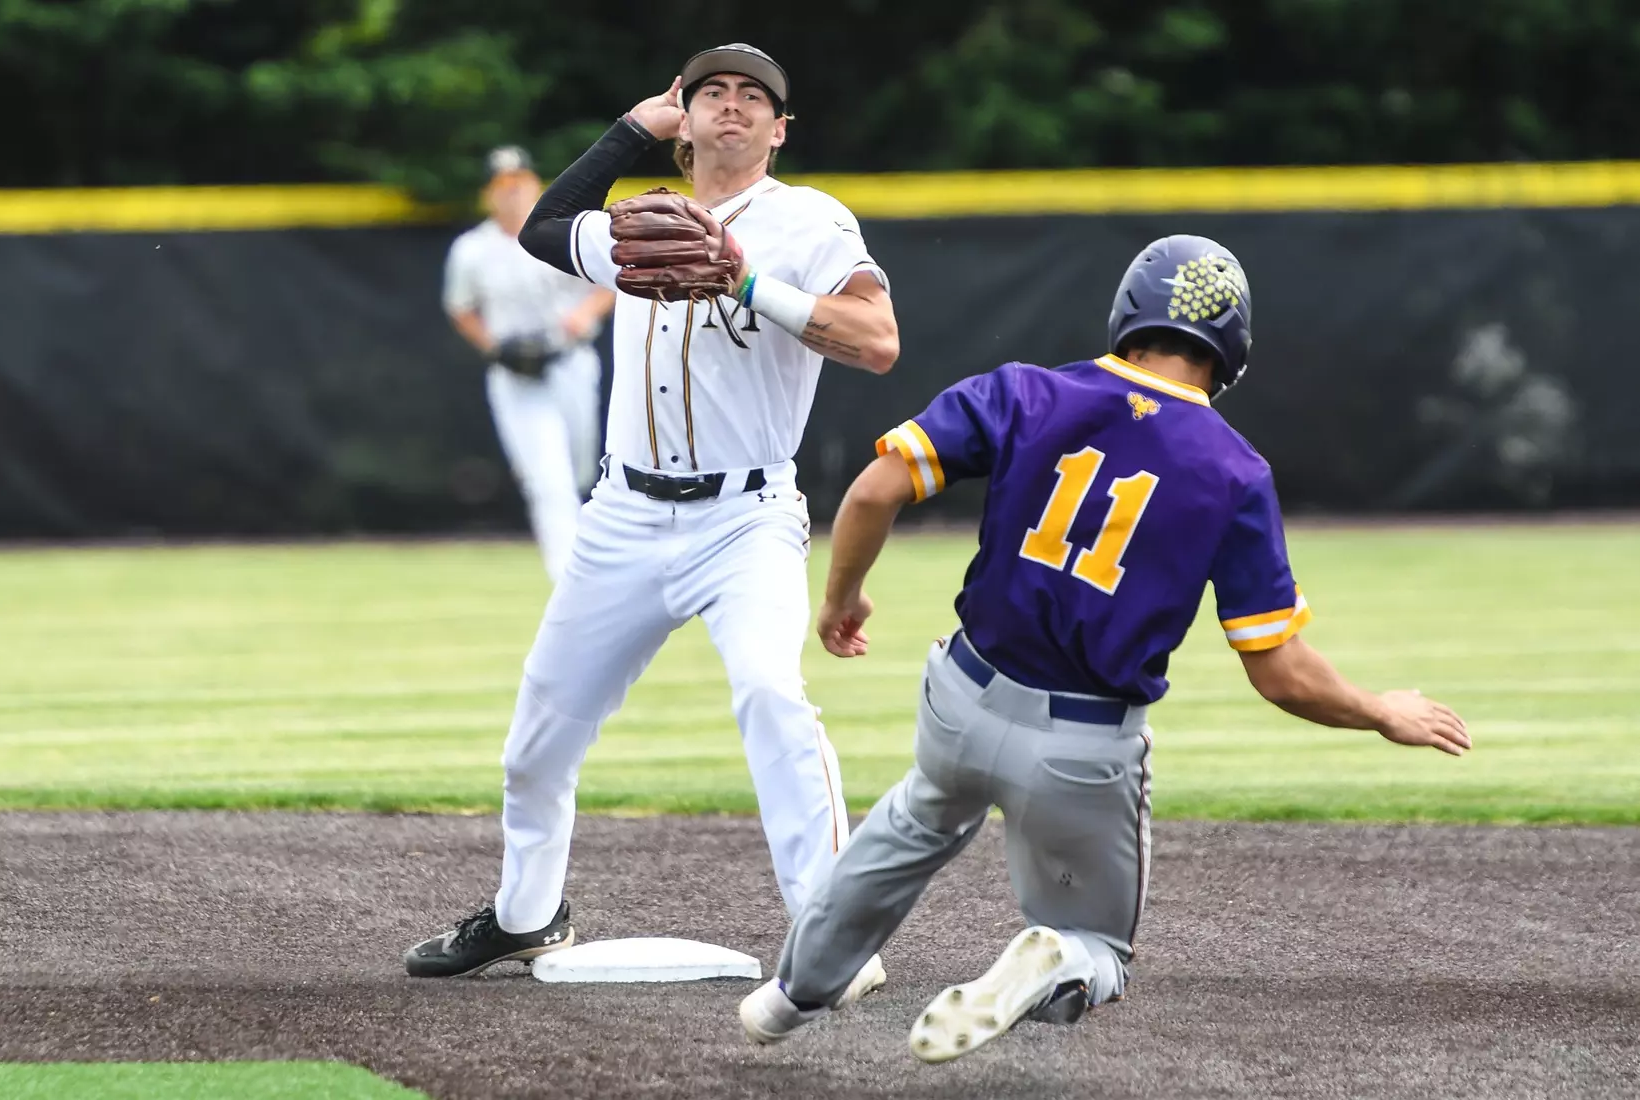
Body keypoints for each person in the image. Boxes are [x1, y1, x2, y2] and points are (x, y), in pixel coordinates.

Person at [737, 235, 1471, 1062]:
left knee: (914, 820)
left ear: (1129, 311)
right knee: (1098, 947)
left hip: (964, 694)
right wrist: (1380, 711)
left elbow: (874, 488)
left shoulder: (1025, 391)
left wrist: (841, 599)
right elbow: (1280, 673)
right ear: (1230, 348)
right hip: (1081, 747)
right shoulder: (1234, 471)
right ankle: (1055, 959)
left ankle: (788, 997)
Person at [404, 43, 900, 1003]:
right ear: (686, 114)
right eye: (711, 90)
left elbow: (878, 344)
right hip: (622, 516)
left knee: (769, 694)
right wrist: (631, 130)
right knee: (538, 736)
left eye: (753, 97)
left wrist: (749, 282)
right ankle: (523, 916)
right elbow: (543, 228)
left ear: (779, 128)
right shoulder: (641, 223)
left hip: (744, 517)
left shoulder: (808, 221)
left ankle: (831, 934)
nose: (731, 105)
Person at [443, 145, 616, 581]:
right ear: (488, 194)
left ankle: (591, 563)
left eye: (519, 182)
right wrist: (492, 346)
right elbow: (460, 307)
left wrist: (584, 315)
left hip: (570, 363)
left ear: (535, 184)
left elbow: (611, 283)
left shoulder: (561, 234)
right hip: (515, 375)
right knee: (548, 481)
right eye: (502, 185)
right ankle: (570, 578)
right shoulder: (472, 249)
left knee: (580, 472)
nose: (512, 192)